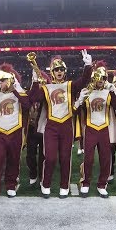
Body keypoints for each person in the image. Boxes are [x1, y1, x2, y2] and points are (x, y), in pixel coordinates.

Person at [29, 51, 93, 198]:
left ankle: (64, 186)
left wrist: (88, 65)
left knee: (65, 158)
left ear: (65, 72)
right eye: (57, 69)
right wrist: (34, 82)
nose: (59, 71)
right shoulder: (46, 88)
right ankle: (46, 184)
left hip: (66, 126)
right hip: (51, 127)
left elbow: (84, 81)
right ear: (52, 71)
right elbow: (33, 98)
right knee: (50, 157)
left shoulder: (69, 85)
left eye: (62, 69)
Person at [0, 63, 31, 201]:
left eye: (3, 80)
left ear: (10, 80)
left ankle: (11, 186)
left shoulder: (19, 93)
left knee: (13, 161)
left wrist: (16, 88)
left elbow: (27, 105)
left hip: (15, 130)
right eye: (0, 81)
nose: (0, 83)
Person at [75, 61, 116, 198]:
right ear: (93, 78)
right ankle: (85, 183)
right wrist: (79, 100)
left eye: (103, 78)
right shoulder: (87, 92)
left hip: (104, 129)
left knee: (105, 159)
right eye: (98, 78)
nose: (101, 81)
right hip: (90, 128)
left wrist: (113, 90)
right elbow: (77, 112)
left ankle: (102, 184)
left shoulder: (109, 93)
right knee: (88, 159)